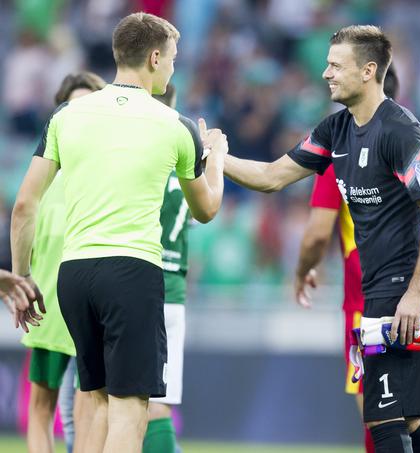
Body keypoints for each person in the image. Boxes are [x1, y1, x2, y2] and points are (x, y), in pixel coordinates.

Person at [222, 25, 420, 453]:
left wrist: (417, 293)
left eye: (335, 65)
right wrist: (217, 158)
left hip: (403, 293)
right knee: (414, 421)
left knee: (383, 417)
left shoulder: (402, 132)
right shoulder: (336, 130)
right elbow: (273, 177)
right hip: (379, 290)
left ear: (368, 71)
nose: (325, 73)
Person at [10, 12, 225, 453]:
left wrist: (21, 276)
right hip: (131, 272)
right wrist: (215, 158)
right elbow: (206, 209)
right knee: (131, 410)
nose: (173, 68)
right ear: (153, 57)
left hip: (74, 275)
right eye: (172, 58)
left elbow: (23, 206)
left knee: (95, 403)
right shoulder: (176, 125)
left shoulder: (67, 115)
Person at [294, 65, 399, 453]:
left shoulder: (342, 150)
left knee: (375, 407)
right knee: (413, 410)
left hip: (365, 297)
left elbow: (318, 232)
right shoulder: (411, 141)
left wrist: (302, 271)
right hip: (418, 295)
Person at [19, 71, 105, 453]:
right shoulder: (42, 178)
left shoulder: (107, 175)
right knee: (46, 408)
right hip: (48, 309)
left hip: (91, 307)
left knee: (87, 411)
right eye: (72, 105)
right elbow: (23, 217)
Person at [143, 83, 188, 453]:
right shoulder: (185, 159)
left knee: (120, 403)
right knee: (158, 402)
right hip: (175, 289)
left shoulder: (142, 158)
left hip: (140, 282)